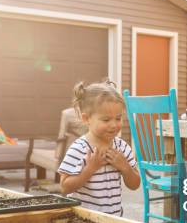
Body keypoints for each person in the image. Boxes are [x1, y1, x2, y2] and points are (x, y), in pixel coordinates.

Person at [58, 80, 140, 215]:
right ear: (86, 119)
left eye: (118, 118)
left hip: (114, 219)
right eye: (106, 120)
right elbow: (64, 187)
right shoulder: (79, 149)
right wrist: (89, 169)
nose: (114, 125)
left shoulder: (122, 147)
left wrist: (125, 167)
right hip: (84, 221)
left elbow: (135, 185)